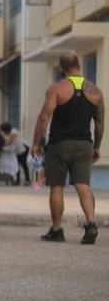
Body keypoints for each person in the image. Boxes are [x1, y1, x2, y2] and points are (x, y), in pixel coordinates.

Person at [32, 52, 103, 244]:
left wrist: (36, 143)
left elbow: (43, 118)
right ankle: (91, 224)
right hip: (84, 144)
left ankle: (57, 229)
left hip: (59, 144)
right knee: (83, 185)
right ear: (79, 66)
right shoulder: (95, 91)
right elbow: (99, 124)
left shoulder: (57, 89)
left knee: (57, 186)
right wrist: (96, 146)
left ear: (61, 69)